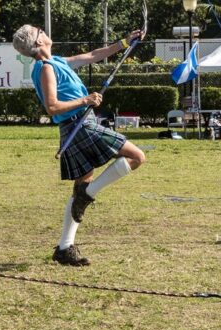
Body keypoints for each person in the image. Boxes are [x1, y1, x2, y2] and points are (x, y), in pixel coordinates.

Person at [12, 24, 146, 267]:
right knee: (137, 157)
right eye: (40, 31)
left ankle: (64, 248)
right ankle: (89, 194)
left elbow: (94, 55)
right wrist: (86, 99)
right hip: (79, 125)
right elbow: (52, 107)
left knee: (80, 188)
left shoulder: (58, 61)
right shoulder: (46, 69)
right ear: (38, 43)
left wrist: (124, 43)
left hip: (79, 126)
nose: (44, 31)